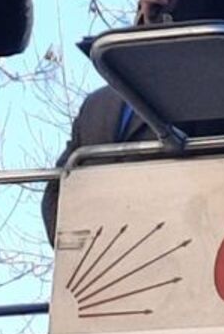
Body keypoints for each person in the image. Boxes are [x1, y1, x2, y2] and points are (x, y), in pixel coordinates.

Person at [41, 86, 152, 246]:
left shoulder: (185, 88)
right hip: (95, 246)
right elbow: (58, 184)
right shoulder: (95, 102)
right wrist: (68, 247)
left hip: (166, 239)